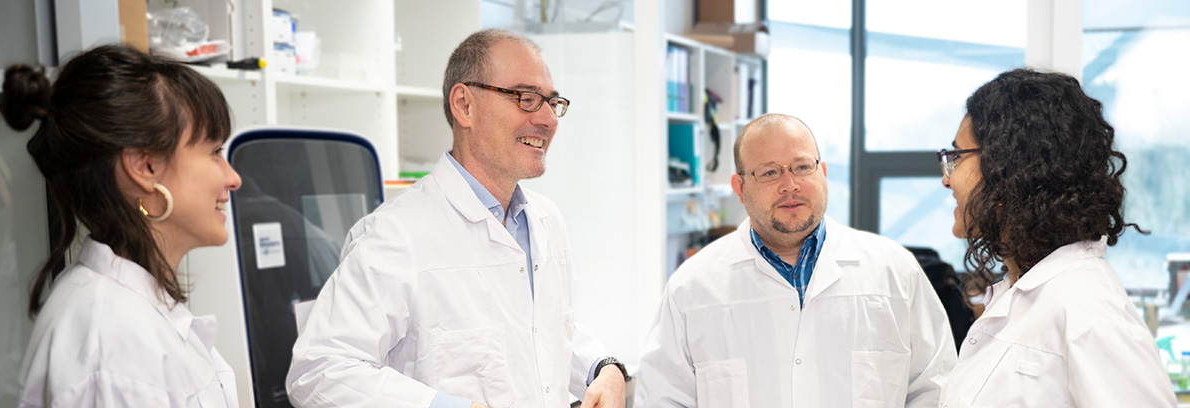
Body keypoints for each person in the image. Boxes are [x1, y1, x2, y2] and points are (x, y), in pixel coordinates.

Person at [285, 29, 627, 408]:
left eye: (552, 101)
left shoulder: (546, 220)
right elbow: (319, 372)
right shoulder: (396, 235)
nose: (548, 118)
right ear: (464, 105)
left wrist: (604, 367)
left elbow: (541, 332)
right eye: (527, 98)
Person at [636, 113, 956, 407]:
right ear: (740, 187)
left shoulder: (895, 271)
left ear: (823, 173)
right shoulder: (692, 288)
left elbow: (937, 389)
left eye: (803, 167)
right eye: (770, 172)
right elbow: (663, 398)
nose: (790, 185)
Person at [0, 45, 243, 406]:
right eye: (214, 152)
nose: (233, 178)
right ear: (145, 167)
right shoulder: (114, 345)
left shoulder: (126, 313)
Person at [937, 68, 1175, 406]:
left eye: (957, 157)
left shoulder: (1088, 309)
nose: (947, 179)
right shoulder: (1024, 295)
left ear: (1008, 166)